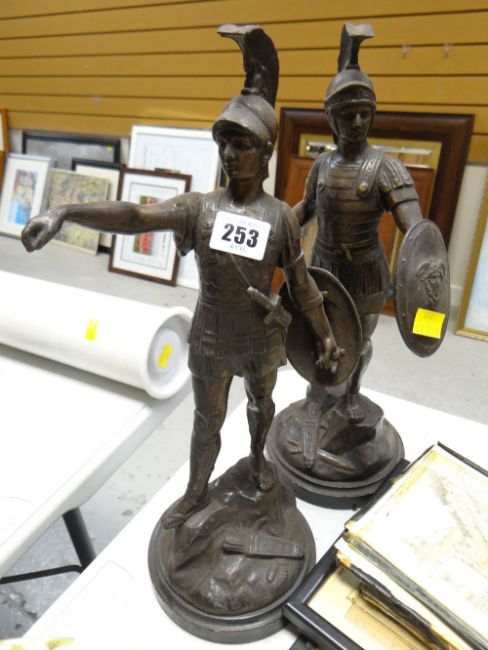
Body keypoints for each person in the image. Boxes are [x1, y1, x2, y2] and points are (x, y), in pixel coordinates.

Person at [22, 25, 341, 529]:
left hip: (261, 332)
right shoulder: (198, 208)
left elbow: (300, 284)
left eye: (241, 144)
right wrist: (66, 211)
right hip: (211, 332)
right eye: (224, 143)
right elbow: (136, 216)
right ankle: (196, 490)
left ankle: (257, 459)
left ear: (265, 151)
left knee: (261, 403)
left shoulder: (280, 217)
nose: (229, 154)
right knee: (206, 420)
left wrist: (324, 334)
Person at [294, 23, 423, 423]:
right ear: (331, 118)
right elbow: (306, 209)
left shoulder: (386, 168)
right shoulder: (322, 166)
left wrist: (421, 265)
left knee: (360, 339)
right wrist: (275, 227)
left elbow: (416, 230)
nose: (358, 121)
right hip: (324, 267)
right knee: (320, 332)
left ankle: (351, 394)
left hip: (366, 272)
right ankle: (318, 394)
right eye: (348, 114)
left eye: (365, 113)